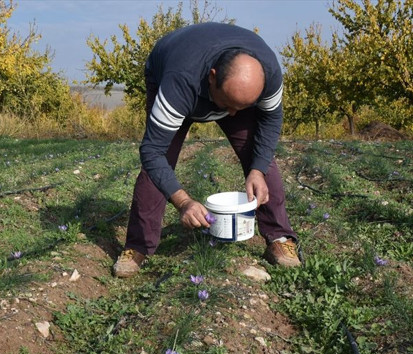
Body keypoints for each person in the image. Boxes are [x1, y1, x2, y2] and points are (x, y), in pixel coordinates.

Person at [112, 22, 301, 278]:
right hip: (174, 73)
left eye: (241, 108)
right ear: (212, 77)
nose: (232, 114)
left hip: (224, 85)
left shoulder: (267, 75)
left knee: (259, 155)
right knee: (161, 161)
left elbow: (270, 121)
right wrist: (183, 202)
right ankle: (137, 246)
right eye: (227, 105)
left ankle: (279, 237)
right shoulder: (179, 83)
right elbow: (152, 151)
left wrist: (257, 168)